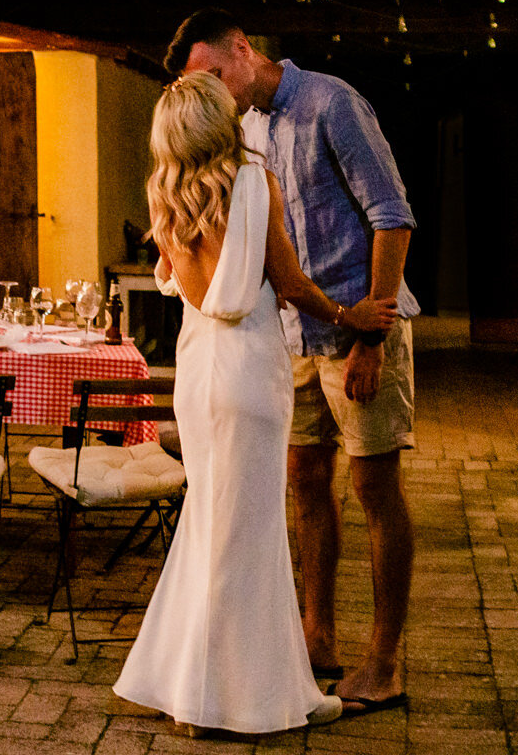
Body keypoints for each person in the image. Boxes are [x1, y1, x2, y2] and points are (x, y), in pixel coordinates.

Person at [112, 72, 397, 736]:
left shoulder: (164, 195)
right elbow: (290, 280)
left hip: (198, 371)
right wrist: (346, 316)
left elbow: (186, 284)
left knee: (211, 526)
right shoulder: (251, 183)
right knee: (247, 534)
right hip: (246, 371)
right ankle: (223, 700)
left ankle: (194, 684)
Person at [167, 9, 418, 712]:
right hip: (289, 339)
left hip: (360, 325)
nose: (212, 94)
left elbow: (392, 216)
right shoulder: (239, 130)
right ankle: (316, 637)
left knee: (375, 490)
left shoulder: (332, 104)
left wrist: (370, 334)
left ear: (243, 49)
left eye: (214, 76)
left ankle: (385, 660)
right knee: (307, 484)